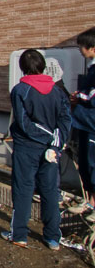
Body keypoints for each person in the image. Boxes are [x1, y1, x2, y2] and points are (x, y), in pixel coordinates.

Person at [0, 49, 71, 250]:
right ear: (42, 66)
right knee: (50, 191)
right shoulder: (57, 90)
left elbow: (23, 122)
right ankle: (52, 237)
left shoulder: (20, 90)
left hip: (26, 148)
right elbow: (65, 119)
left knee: (23, 190)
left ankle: (19, 235)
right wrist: (55, 143)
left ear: (23, 68)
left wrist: (47, 139)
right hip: (51, 150)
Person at [70, 27, 95, 218]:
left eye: (82, 47)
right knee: (86, 163)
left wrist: (79, 96)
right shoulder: (92, 67)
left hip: (92, 123)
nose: (80, 50)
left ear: (92, 47)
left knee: (92, 163)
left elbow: (92, 95)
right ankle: (91, 203)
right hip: (85, 122)